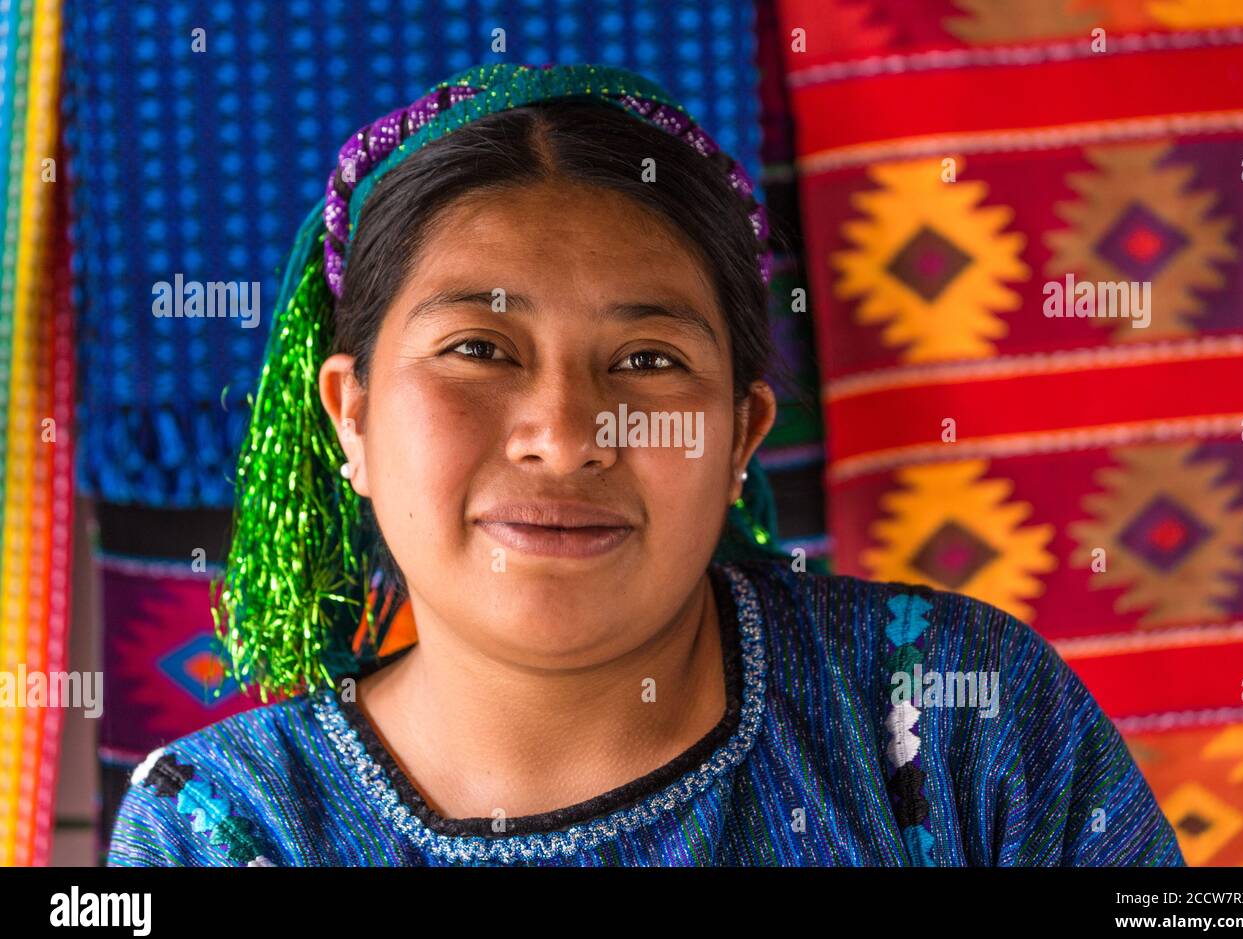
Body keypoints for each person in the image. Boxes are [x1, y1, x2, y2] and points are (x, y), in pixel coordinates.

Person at [106, 63, 1184, 867]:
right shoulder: (224, 827)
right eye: (479, 350)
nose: (566, 433)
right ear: (348, 415)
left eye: (648, 359)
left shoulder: (949, 710)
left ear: (740, 436)